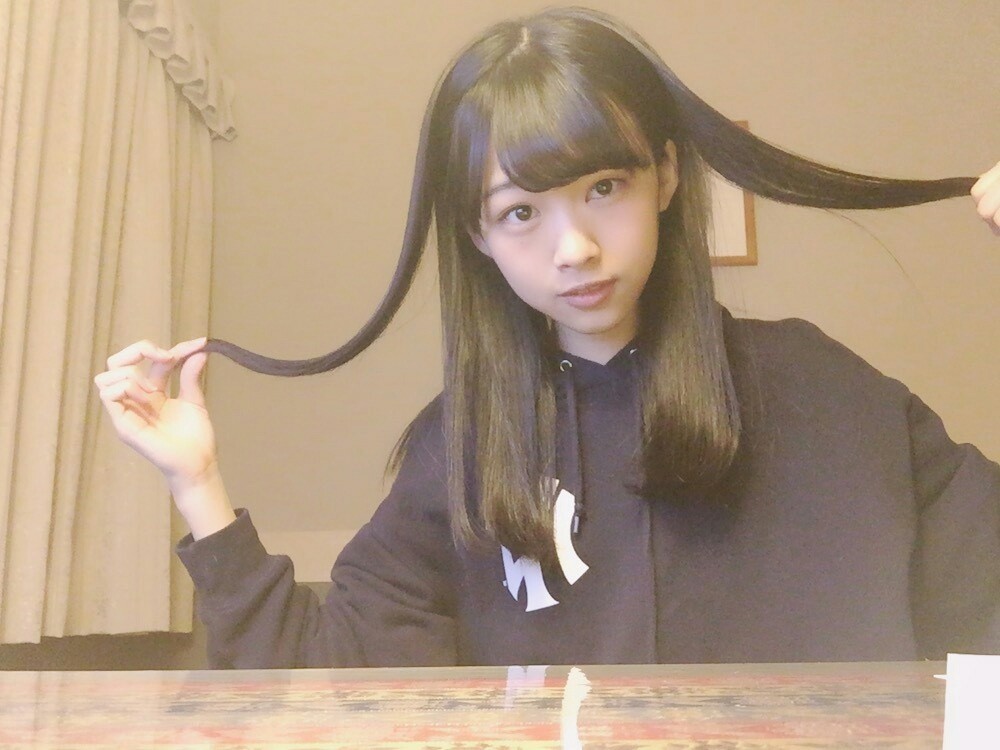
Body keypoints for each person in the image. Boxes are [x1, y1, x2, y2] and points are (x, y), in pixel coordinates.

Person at [94, 8, 1000, 668]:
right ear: (479, 235)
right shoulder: (465, 448)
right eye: (521, 211)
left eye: (604, 188)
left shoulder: (823, 393)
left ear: (666, 177)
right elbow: (323, 682)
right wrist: (195, 482)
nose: (575, 249)